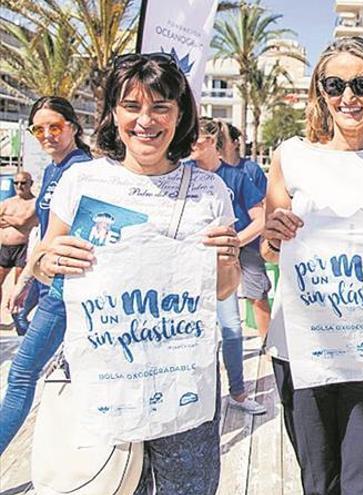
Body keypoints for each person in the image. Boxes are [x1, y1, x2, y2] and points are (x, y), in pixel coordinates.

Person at [0, 53, 240, 495]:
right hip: (105, 380)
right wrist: (45, 262)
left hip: (183, 383)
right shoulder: (84, 181)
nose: (145, 121)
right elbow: (44, 260)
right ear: (113, 112)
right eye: (131, 106)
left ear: (180, 113)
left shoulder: (210, 191)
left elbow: (225, 289)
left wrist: (227, 261)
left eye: (160, 107)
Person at [260, 36, 363, 494]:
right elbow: (272, 253)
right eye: (334, 85)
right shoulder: (290, 156)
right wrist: (273, 239)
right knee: (318, 480)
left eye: (360, 84)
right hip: (301, 344)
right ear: (319, 92)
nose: (347, 97)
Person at [189, 116, 267, 415]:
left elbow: (259, 219)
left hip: (227, 265)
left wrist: (233, 244)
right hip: (190, 267)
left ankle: (237, 393)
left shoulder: (235, 177)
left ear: (211, 140)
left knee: (232, 327)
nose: (190, 144)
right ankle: (196, 396)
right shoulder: (182, 174)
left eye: (195, 138)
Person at [6, 97, 92, 335]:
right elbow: (43, 231)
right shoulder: (51, 169)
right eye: (38, 129)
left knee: (22, 371)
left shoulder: (82, 170)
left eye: (54, 127)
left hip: (68, 284)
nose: (46, 135)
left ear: (73, 127)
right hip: (46, 276)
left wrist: (24, 282)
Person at [221, 123, 272, 337]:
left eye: (223, 139)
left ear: (234, 143)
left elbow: (266, 204)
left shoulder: (250, 170)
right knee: (223, 297)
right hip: (224, 245)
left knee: (257, 295)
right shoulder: (213, 171)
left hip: (249, 243)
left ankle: (268, 343)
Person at [0, 171, 37, 308]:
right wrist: (14, 221)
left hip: (22, 247)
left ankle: (17, 314)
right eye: (16, 183)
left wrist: (6, 218)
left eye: (23, 183)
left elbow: (22, 221)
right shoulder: (7, 202)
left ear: (30, 184)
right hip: (5, 248)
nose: (19, 186)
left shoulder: (34, 202)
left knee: (19, 284)